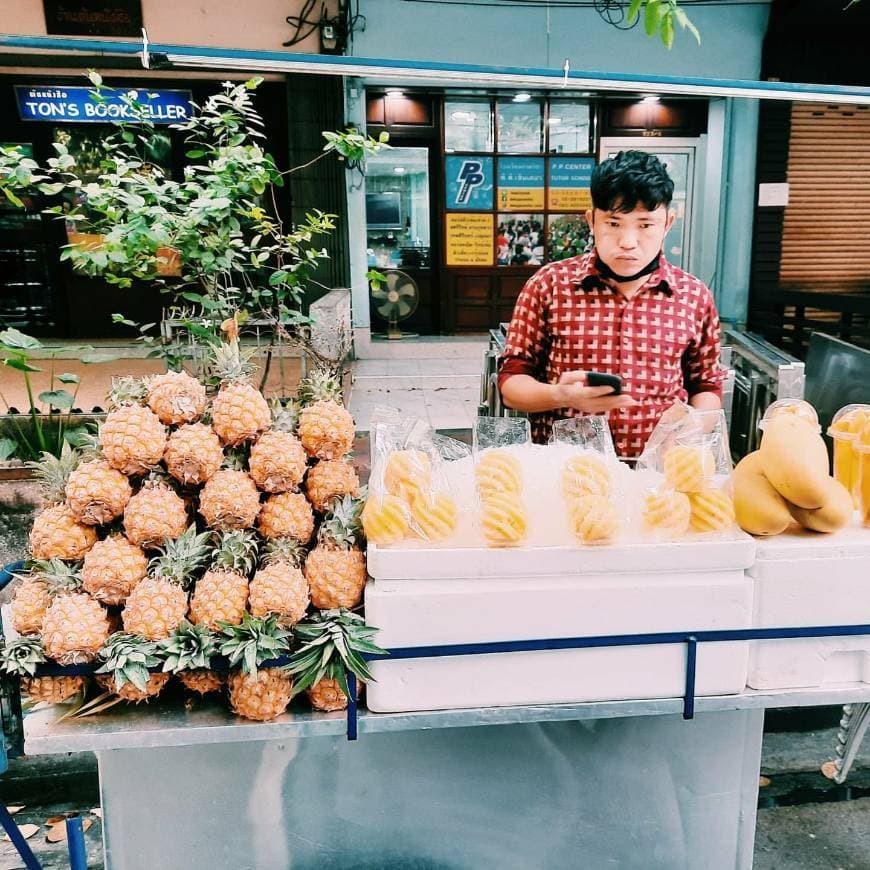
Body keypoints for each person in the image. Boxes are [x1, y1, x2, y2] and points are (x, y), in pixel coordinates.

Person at [498, 150, 724, 458]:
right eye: (614, 223)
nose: (628, 241)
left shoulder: (693, 295)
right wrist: (560, 395)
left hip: (657, 476)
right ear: (592, 220)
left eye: (645, 225)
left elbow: (707, 388)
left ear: (668, 223)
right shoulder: (548, 285)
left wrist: (690, 434)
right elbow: (511, 384)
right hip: (567, 474)